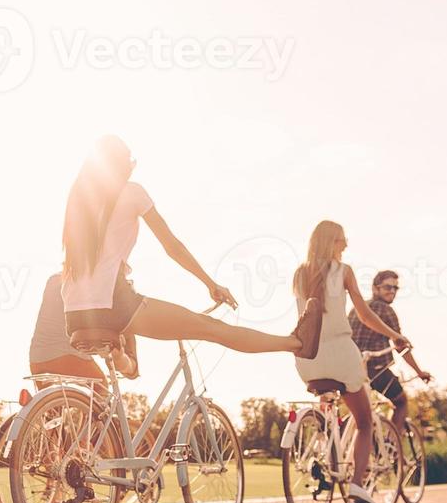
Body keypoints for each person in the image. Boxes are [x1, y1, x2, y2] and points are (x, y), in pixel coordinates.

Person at [60, 136, 301, 360]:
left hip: (73, 314)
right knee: (212, 329)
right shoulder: (132, 192)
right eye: (128, 159)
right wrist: (211, 284)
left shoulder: (80, 203)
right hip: (112, 304)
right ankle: (295, 344)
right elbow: (172, 246)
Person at [292, 221, 410, 503]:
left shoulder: (299, 273)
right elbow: (365, 314)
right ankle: (356, 484)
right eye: (341, 241)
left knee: (330, 406)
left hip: (306, 357)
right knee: (365, 421)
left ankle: (326, 455)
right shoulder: (343, 271)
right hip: (342, 355)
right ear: (331, 242)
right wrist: (395, 336)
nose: (345, 246)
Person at [349, 270, 432, 441]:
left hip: (350, 366)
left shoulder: (357, 308)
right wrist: (419, 372)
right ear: (375, 288)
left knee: (357, 411)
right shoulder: (386, 310)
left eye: (396, 288)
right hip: (375, 369)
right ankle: (391, 445)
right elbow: (400, 346)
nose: (392, 291)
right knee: (401, 401)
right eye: (388, 287)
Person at [29, 272, 136, 380]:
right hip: (68, 356)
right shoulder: (109, 288)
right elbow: (131, 371)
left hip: (36, 359)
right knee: (100, 387)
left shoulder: (55, 280)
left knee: (59, 396)